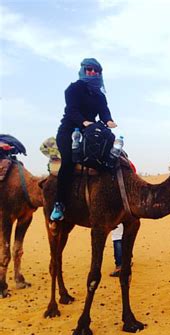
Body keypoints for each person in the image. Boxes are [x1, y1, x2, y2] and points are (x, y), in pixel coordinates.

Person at [50, 58, 117, 221]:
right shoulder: (74, 89)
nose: (93, 72)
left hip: (91, 132)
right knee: (68, 163)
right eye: (89, 69)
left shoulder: (100, 95)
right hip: (69, 130)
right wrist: (83, 121)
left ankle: (109, 201)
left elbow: (104, 111)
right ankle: (59, 203)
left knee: (109, 160)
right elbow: (72, 110)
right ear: (83, 70)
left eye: (96, 70)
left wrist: (108, 120)